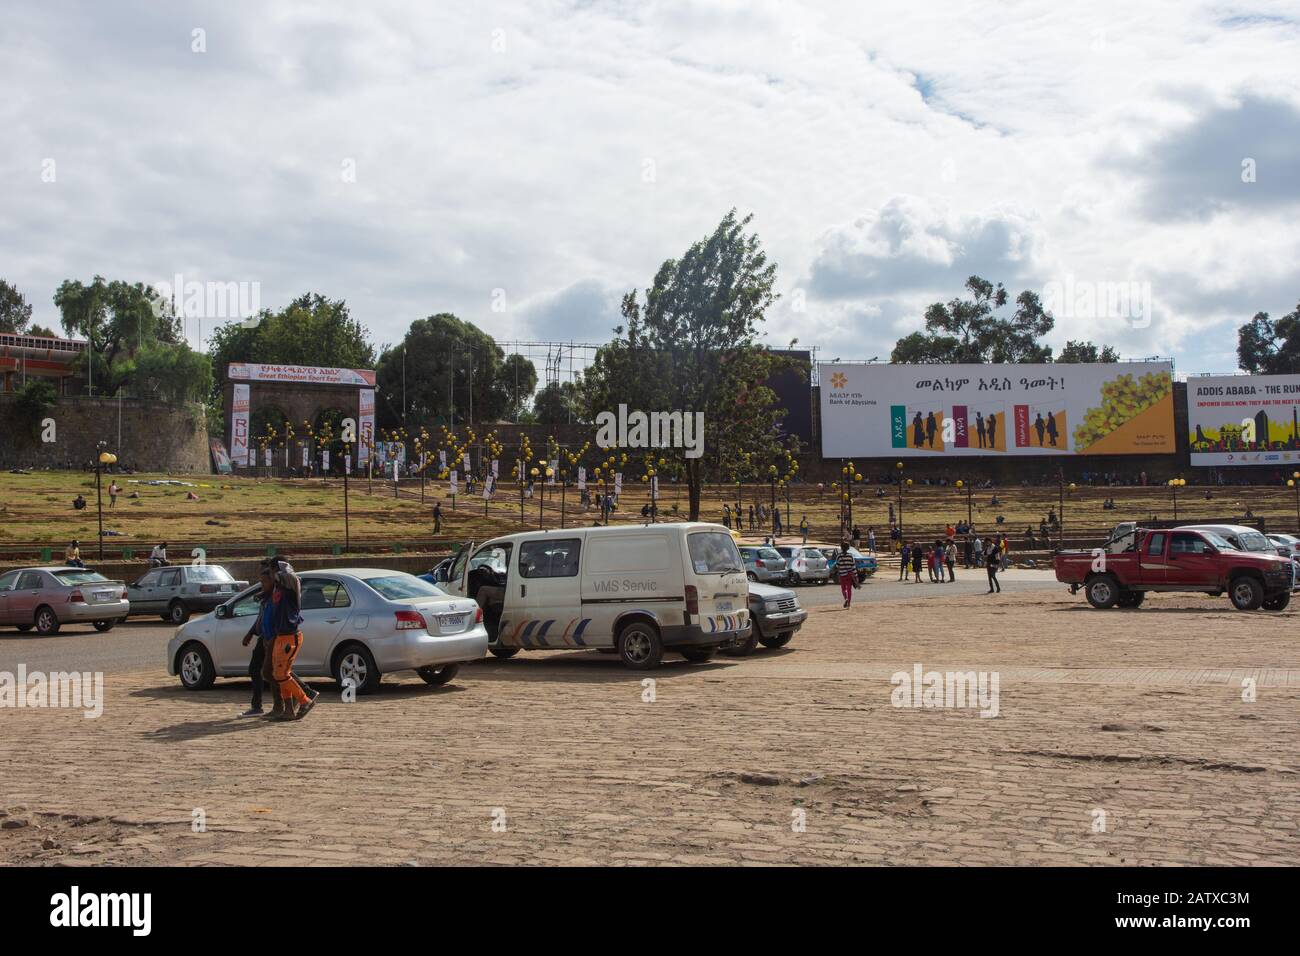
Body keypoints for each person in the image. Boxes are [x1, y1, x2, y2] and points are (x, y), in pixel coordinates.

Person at [264, 558, 313, 721]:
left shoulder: (290, 584)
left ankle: (305, 700)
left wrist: (280, 567)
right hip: (280, 635)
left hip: (290, 635)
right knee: (280, 674)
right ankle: (289, 710)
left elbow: (288, 575)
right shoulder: (278, 587)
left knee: (281, 674)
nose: (270, 575)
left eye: (271, 570)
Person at [835, 542, 857, 609]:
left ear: (841, 548)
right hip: (849, 575)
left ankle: (846, 598)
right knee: (849, 589)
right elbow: (853, 566)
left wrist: (839, 572)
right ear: (848, 548)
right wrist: (855, 576)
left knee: (843, 589)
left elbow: (837, 566)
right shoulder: (850, 556)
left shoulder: (839, 556)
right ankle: (849, 605)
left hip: (842, 574)